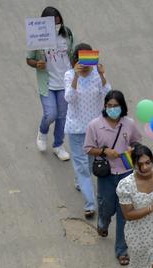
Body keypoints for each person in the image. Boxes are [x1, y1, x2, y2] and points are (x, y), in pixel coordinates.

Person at [86, 90, 141, 263]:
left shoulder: (129, 124)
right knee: (106, 207)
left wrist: (133, 149)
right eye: (109, 106)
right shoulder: (95, 125)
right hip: (106, 174)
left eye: (115, 106)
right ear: (104, 106)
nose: (112, 109)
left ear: (122, 106)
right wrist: (104, 151)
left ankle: (121, 251)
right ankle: (103, 222)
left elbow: (137, 142)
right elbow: (88, 148)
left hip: (126, 174)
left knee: (124, 214)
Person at [63, 42, 108, 220]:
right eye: (82, 59)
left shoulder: (97, 74)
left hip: (94, 129)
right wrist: (76, 76)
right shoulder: (69, 75)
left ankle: (79, 180)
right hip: (75, 128)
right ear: (76, 59)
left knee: (88, 164)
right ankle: (90, 204)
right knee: (82, 167)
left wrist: (102, 75)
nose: (87, 65)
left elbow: (107, 94)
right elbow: (69, 98)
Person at [27, 6, 73, 161]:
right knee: (51, 114)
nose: (56, 26)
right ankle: (42, 132)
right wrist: (36, 64)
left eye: (58, 22)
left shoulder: (67, 34)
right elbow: (29, 59)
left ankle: (58, 145)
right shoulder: (37, 37)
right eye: (53, 23)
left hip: (65, 82)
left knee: (62, 116)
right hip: (47, 84)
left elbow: (73, 53)